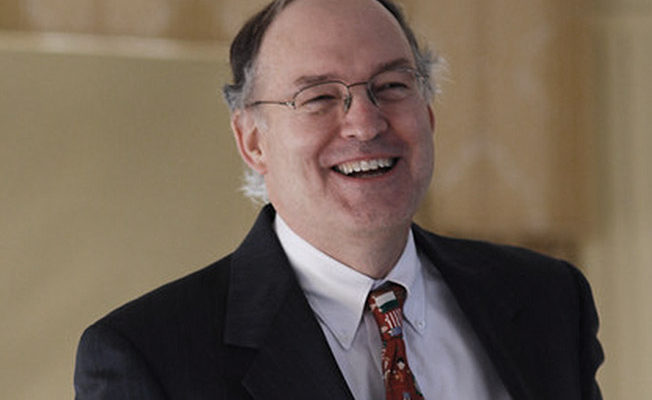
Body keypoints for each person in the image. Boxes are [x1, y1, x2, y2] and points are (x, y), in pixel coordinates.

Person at [74, 0, 604, 399]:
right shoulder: (147, 357)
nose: (365, 123)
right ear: (252, 141)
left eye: (392, 86)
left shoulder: (548, 300)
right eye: (319, 97)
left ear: (428, 114)